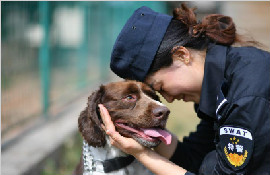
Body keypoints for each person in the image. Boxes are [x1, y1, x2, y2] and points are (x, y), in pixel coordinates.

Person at [99, 4, 270, 175]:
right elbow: (193, 157)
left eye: (161, 87)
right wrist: (147, 133)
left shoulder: (246, 95)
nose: (169, 99)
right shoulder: (220, 86)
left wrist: (142, 154)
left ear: (182, 55)